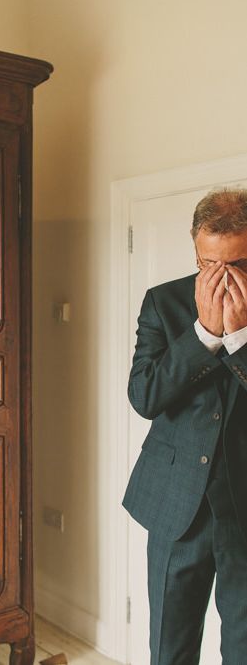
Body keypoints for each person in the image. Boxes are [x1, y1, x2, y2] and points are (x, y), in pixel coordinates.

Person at [123, 188, 247, 664]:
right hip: (176, 506)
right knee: (169, 648)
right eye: (206, 265)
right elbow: (145, 396)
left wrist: (239, 339)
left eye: (235, 264)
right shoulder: (163, 302)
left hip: (245, 508)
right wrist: (205, 337)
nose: (219, 280)